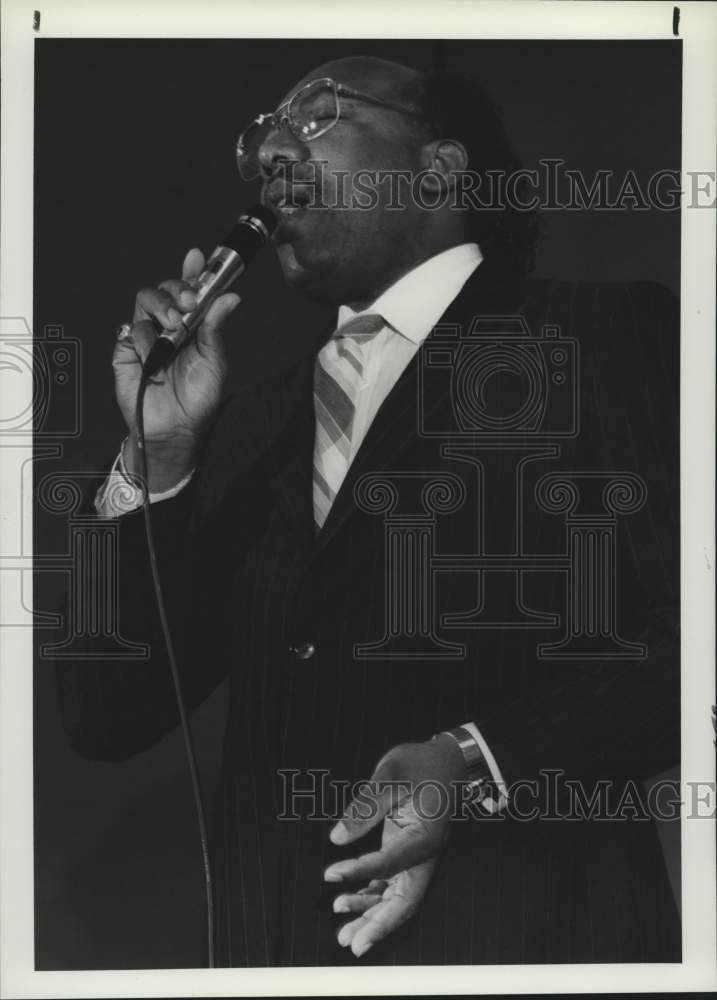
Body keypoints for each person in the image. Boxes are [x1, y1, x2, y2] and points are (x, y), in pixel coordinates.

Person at [56, 56, 680, 966]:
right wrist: (159, 456)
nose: (273, 151)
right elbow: (106, 715)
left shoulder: (600, 334)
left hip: (523, 942)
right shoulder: (249, 424)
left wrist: (473, 759)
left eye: (317, 117)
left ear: (438, 169)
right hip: (276, 954)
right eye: (262, 136)